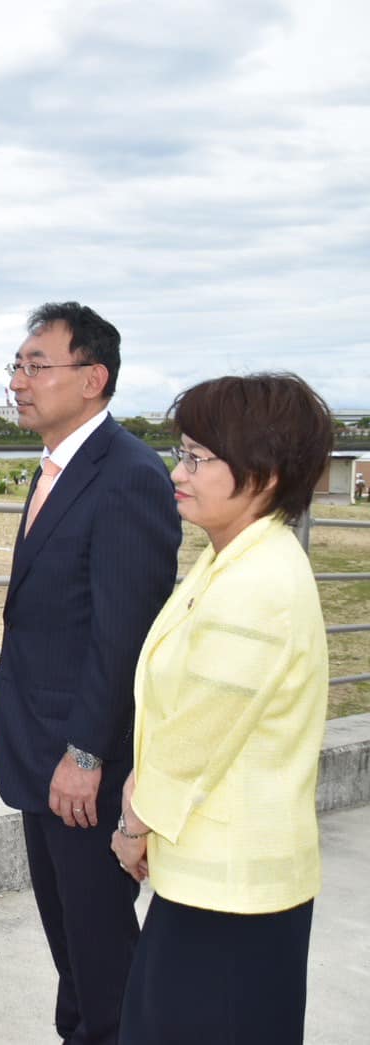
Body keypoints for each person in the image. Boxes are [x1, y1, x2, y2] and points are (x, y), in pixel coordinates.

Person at [111, 373, 333, 1044]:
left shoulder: (257, 582)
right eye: (179, 451)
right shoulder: (230, 556)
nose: (177, 471)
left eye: (195, 457)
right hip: (213, 874)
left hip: (233, 888)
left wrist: (132, 820)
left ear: (262, 474)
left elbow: (198, 735)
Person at [0, 302, 182, 1045]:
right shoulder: (57, 466)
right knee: (69, 935)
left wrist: (86, 754)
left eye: (36, 365)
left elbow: (121, 635)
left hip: (82, 760)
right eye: (16, 365)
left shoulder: (126, 474)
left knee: (99, 943)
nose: (18, 381)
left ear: (93, 377)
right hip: (37, 744)